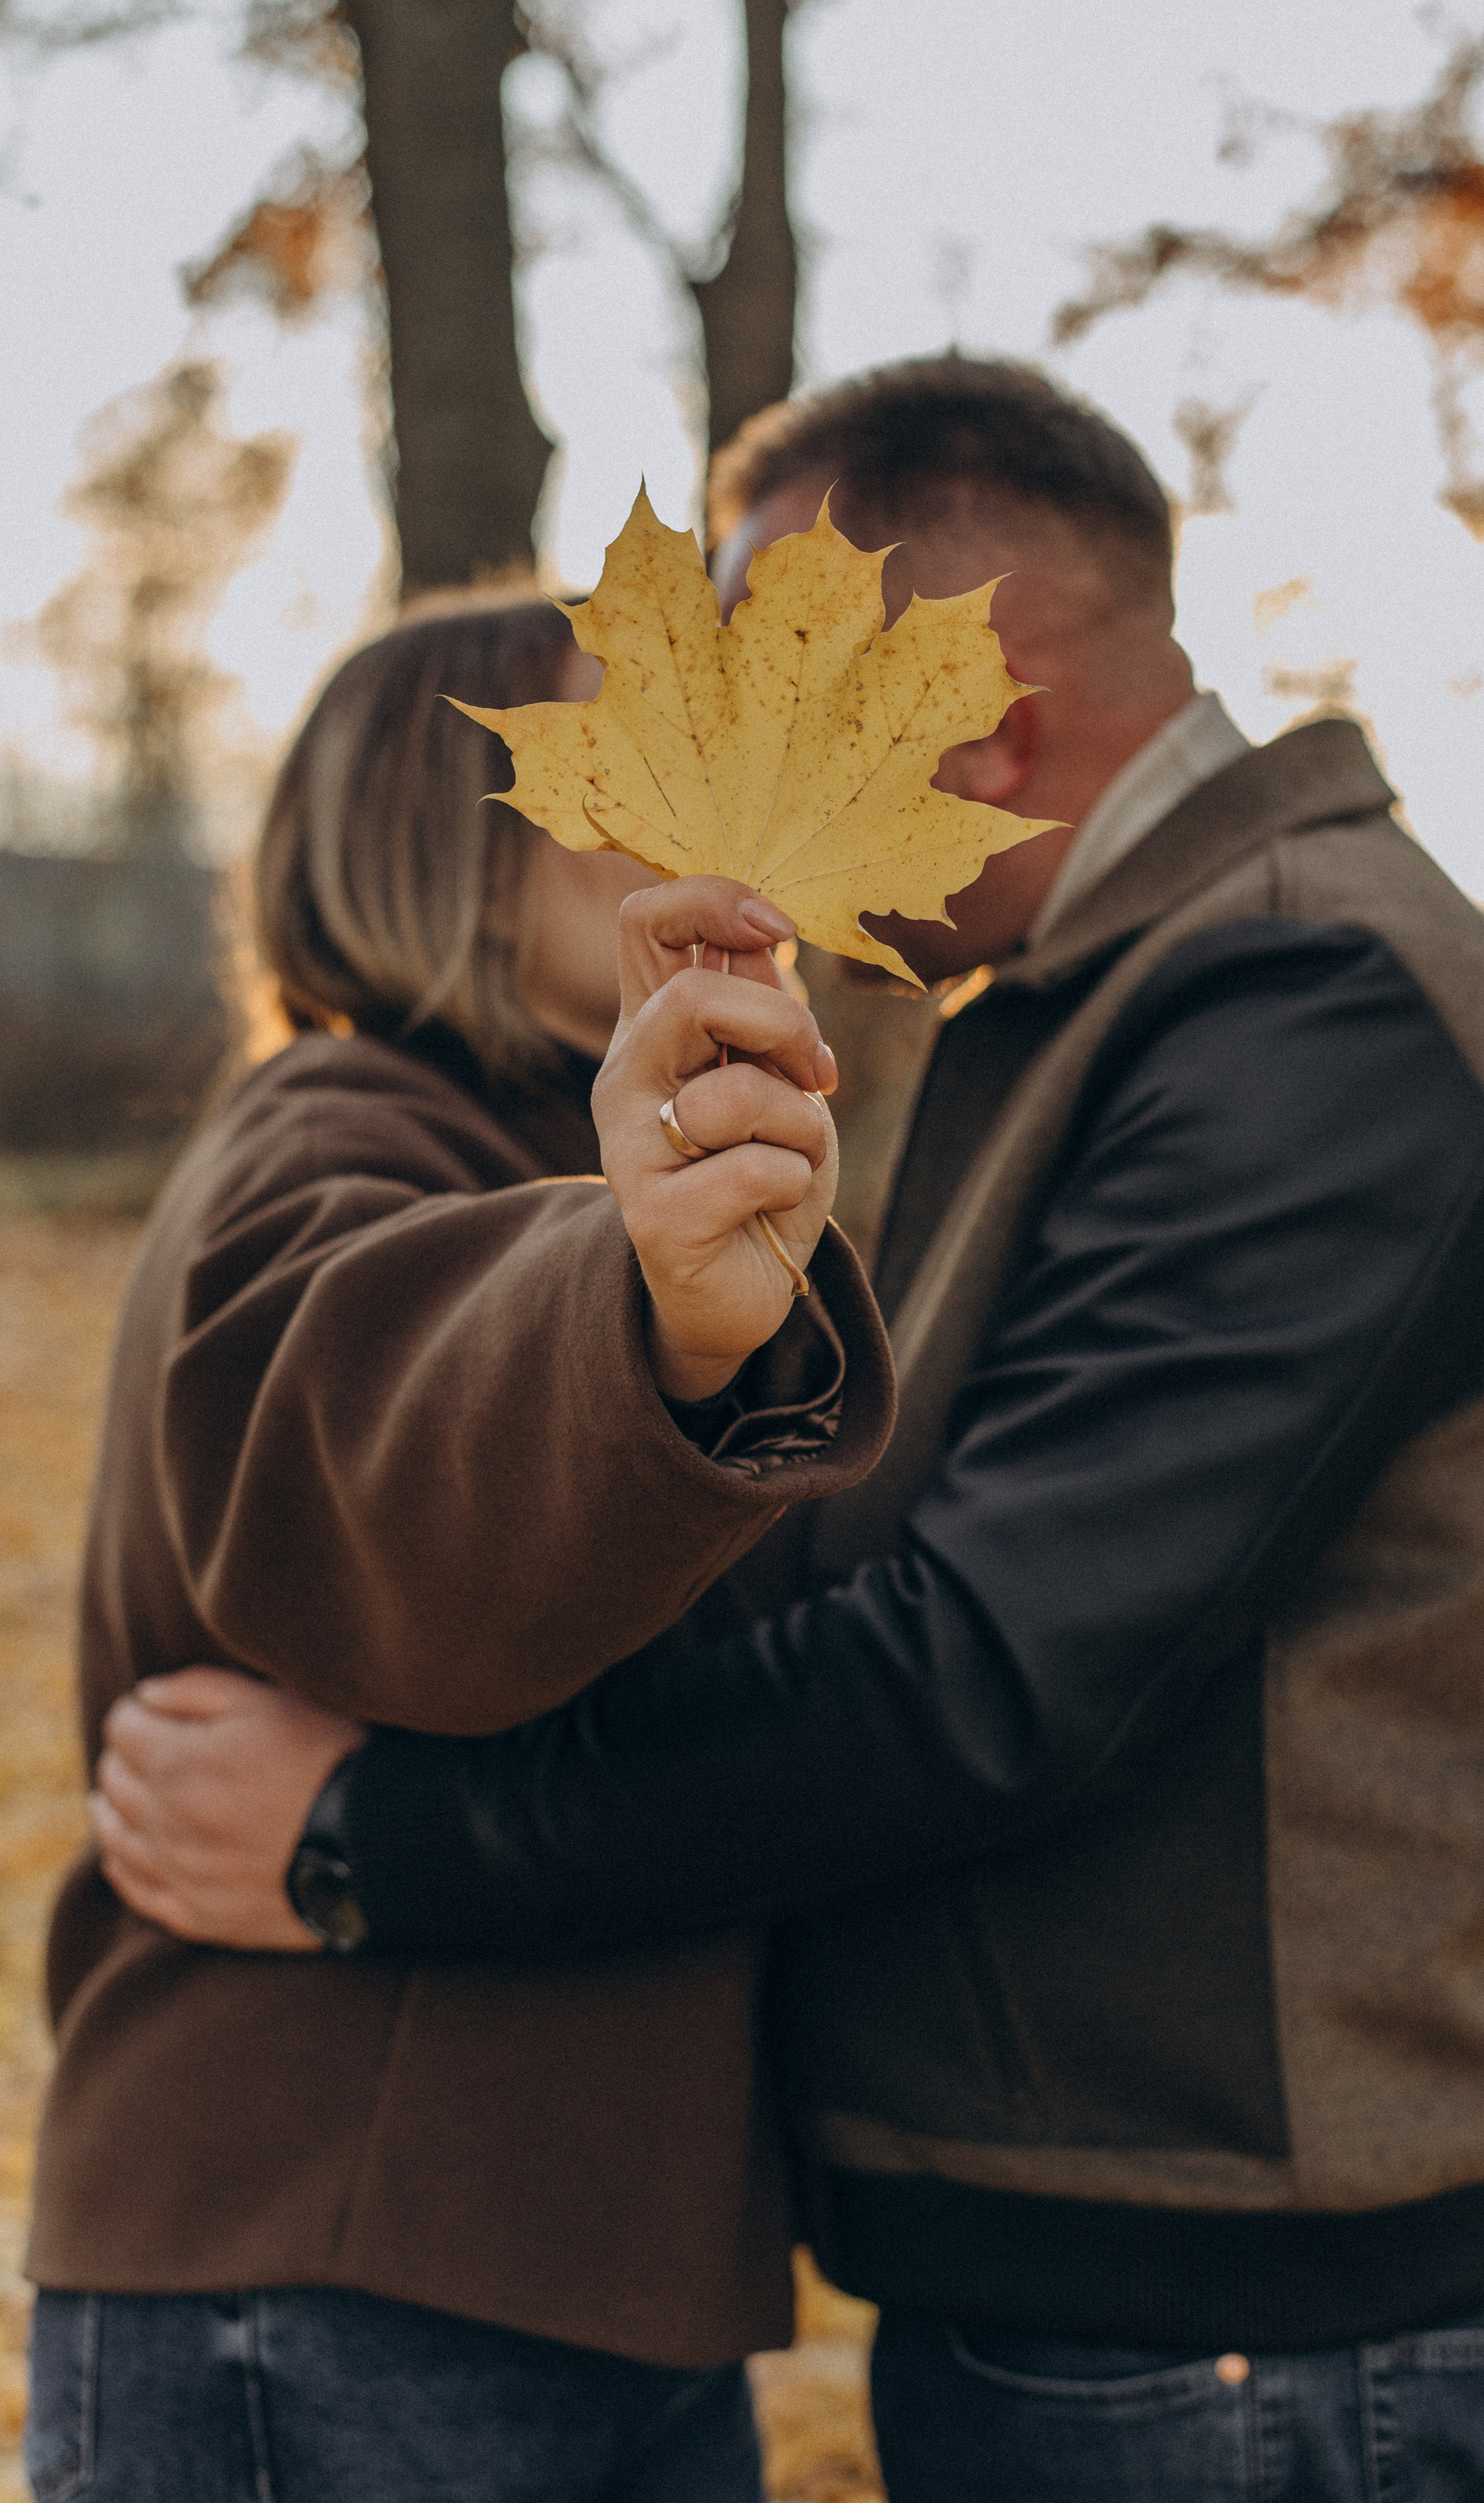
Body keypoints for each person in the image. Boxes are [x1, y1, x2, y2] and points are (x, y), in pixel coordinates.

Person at [93, 358, 1484, 2503]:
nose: (709, 779)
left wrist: (380, 1846)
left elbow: (982, 1665)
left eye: (791, 696)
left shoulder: (1298, 1014)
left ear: (989, 722)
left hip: (1228, 2308)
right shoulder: (1101, 1003)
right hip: (1124, 2270)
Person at [23, 595, 896, 2503]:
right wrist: (646, 1310)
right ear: (442, 821)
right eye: (610, 755)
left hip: (542, 2268)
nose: (681, 794)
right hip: (341, 2270)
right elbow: (379, 1480)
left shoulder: (564, 1145)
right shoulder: (335, 1127)